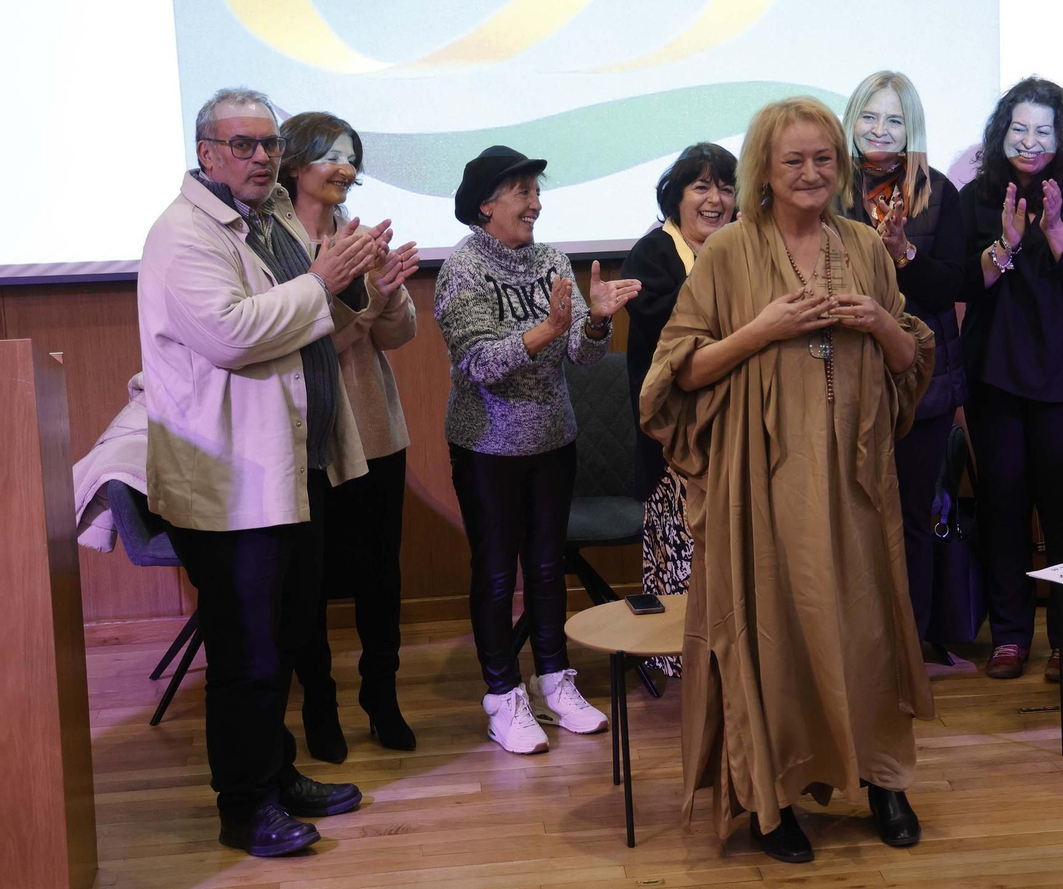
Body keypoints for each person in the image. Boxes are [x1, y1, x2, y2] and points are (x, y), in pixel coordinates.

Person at [639, 97, 935, 863]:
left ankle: (884, 779)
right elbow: (675, 375)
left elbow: (912, 363)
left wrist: (877, 320)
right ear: (762, 172)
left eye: (823, 159)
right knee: (776, 635)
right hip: (762, 490)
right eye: (792, 161)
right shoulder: (731, 253)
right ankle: (774, 802)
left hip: (857, 485)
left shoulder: (867, 245)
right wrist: (761, 330)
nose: (810, 173)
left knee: (865, 630)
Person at [137, 86, 399, 856]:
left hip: (294, 470)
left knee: (282, 641)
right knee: (246, 657)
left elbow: (312, 324)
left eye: (270, 143)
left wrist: (362, 291)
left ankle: (278, 771)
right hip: (233, 484)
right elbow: (230, 333)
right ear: (206, 152)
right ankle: (243, 807)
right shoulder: (182, 234)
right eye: (243, 144)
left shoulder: (275, 216)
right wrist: (323, 282)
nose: (261, 157)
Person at [436, 146, 639, 755]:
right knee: (498, 575)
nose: (535, 202)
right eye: (522, 191)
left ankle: (555, 681)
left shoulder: (551, 259)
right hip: (487, 446)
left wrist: (596, 322)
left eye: (536, 190)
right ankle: (503, 696)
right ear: (485, 204)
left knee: (549, 568)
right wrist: (549, 330)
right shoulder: (462, 269)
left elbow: (581, 356)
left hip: (555, 438)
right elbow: (478, 364)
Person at [959, 78, 1063, 683]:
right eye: (1019, 129)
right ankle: (1010, 635)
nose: (1030, 141)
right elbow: (965, 288)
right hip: (995, 373)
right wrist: (1006, 244)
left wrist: (1052, 230)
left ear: (1062, 136)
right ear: (1003, 133)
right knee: (1002, 504)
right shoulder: (977, 197)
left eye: (1043, 130)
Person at [276, 112, 421, 762]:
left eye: (351, 156)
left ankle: (381, 695)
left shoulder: (360, 238)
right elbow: (315, 340)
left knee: (380, 575)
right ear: (296, 163)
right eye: (331, 154)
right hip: (311, 437)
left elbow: (399, 334)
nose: (344, 167)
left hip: (376, 428)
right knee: (306, 582)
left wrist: (388, 291)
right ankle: (321, 702)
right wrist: (364, 302)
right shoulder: (271, 244)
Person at [840, 71, 967, 647]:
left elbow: (954, 287)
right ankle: (855, 645)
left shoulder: (939, 192)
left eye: (895, 119)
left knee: (913, 515)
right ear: (851, 121)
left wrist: (905, 253)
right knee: (849, 519)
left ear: (911, 128)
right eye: (870, 117)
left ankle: (909, 646)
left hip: (922, 380)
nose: (880, 130)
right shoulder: (827, 187)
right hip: (840, 375)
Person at [622, 142, 737, 678]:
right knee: (682, 548)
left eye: (726, 187)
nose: (716, 199)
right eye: (702, 186)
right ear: (677, 195)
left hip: (735, 429)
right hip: (674, 439)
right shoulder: (653, 254)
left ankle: (732, 653)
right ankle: (681, 658)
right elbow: (674, 330)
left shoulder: (743, 249)